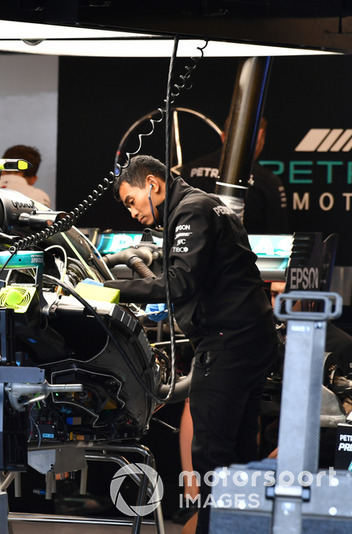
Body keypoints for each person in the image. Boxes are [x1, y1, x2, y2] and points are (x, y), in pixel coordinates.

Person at [102, 155, 278, 534]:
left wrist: (108, 291)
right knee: (241, 450)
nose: (131, 212)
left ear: (153, 184)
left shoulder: (192, 210)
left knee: (212, 451)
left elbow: (178, 283)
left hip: (229, 342)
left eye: (131, 201)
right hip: (252, 338)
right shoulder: (204, 204)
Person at [178, 117, 289, 235]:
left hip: (190, 248)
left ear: (223, 136)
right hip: (243, 251)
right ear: (260, 136)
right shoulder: (267, 180)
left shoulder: (189, 170)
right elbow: (278, 237)